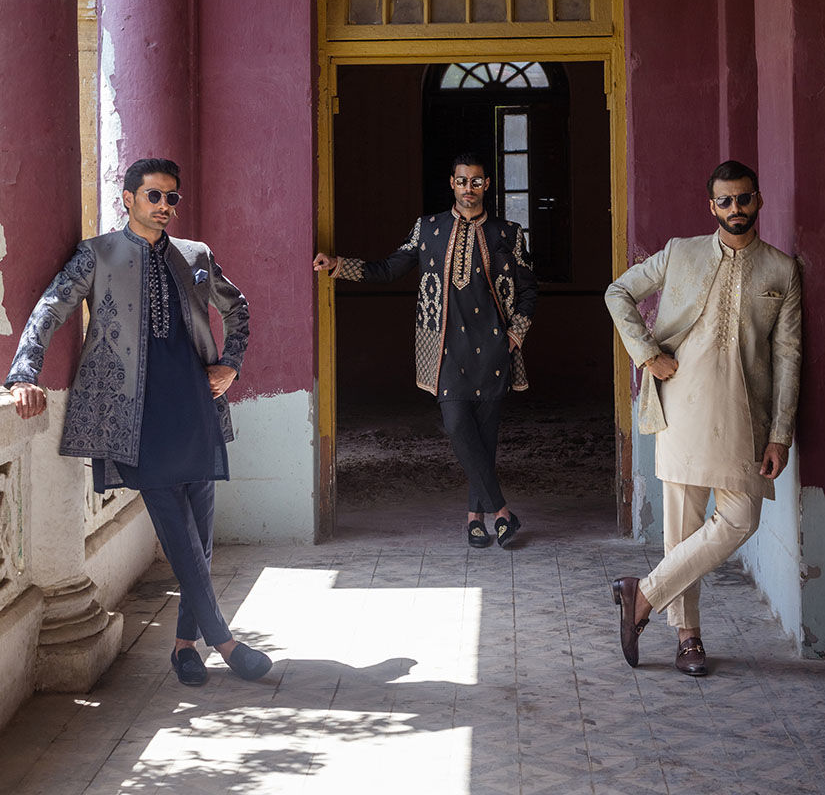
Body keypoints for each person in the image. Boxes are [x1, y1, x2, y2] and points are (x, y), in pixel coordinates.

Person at [5, 158, 272, 688]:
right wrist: (22, 374)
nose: (165, 206)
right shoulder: (98, 253)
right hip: (135, 417)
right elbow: (51, 308)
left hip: (195, 408)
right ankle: (225, 643)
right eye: (155, 196)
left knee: (200, 536)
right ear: (128, 198)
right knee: (178, 533)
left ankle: (184, 647)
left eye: (173, 197)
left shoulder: (195, 255)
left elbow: (238, 308)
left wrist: (231, 364)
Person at [605, 159, 801, 676]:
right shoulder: (680, 252)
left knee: (741, 519)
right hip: (681, 405)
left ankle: (642, 593)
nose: (736, 208)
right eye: (725, 200)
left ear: (758, 200)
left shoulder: (780, 270)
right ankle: (687, 637)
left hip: (743, 412)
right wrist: (646, 354)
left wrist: (780, 434)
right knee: (683, 525)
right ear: (711, 206)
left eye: (744, 198)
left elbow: (787, 356)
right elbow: (617, 292)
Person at [313, 152, 537, 548]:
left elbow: (529, 290)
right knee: (457, 426)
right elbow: (389, 268)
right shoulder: (428, 229)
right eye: (462, 180)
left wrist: (515, 335)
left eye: (477, 181)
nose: (469, 188)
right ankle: (502, 511)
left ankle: (475, 519)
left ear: (486, 185)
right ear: (452, 183)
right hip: (446, 349)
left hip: (493, 350)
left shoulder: (508, 233)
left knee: (484, 438)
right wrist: (337, 265)